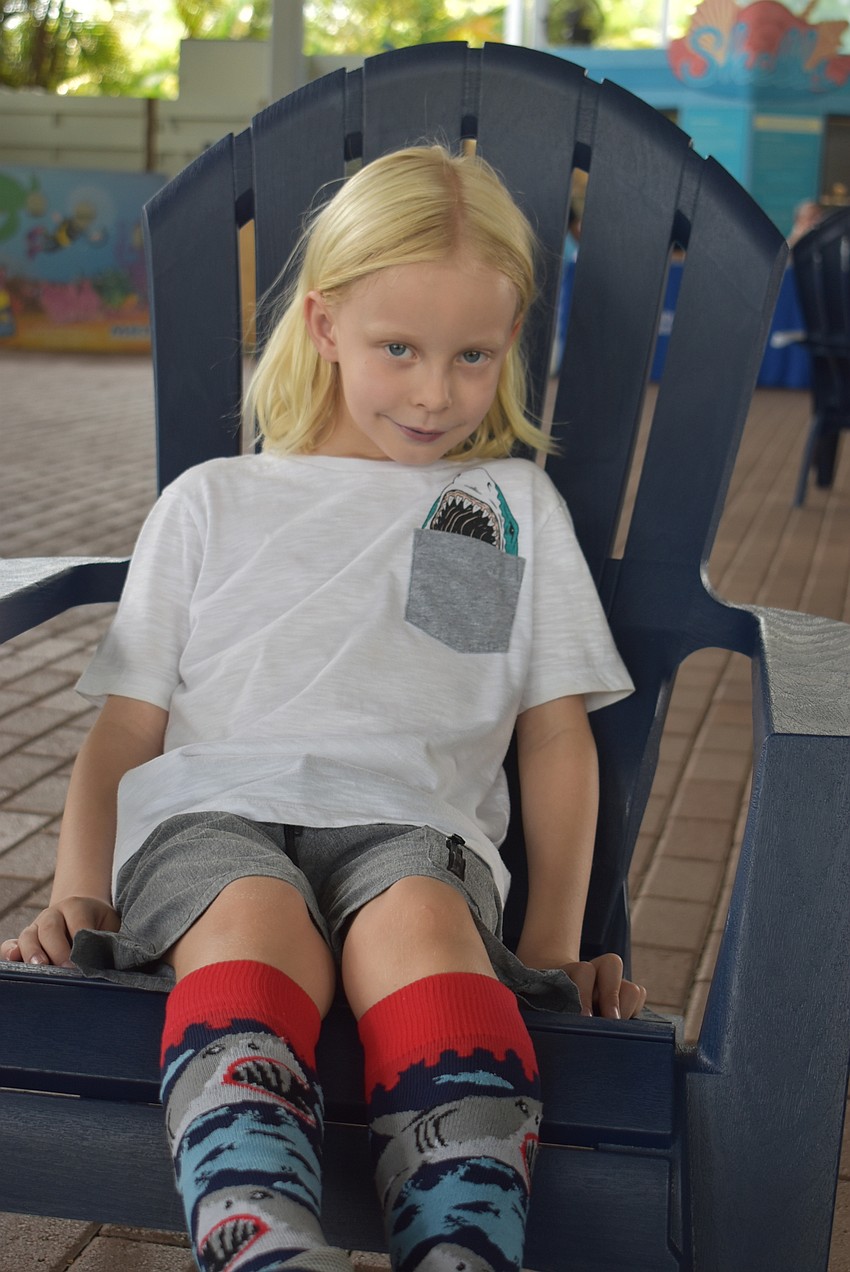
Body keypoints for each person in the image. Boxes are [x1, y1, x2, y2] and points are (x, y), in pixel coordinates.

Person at [1, 145, 644, 1272]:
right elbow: (128, 729)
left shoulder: (483, 509)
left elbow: (546, 728)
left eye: (473, 356)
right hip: (215, 811)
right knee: (248, 919)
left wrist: (549, 945)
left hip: (410, 824)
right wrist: (80, 891)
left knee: (422, 927)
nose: (437, 392)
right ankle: (262, 1246)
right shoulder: (216, 501)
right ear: (324, 323)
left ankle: (462, 1247)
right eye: (399, 348)